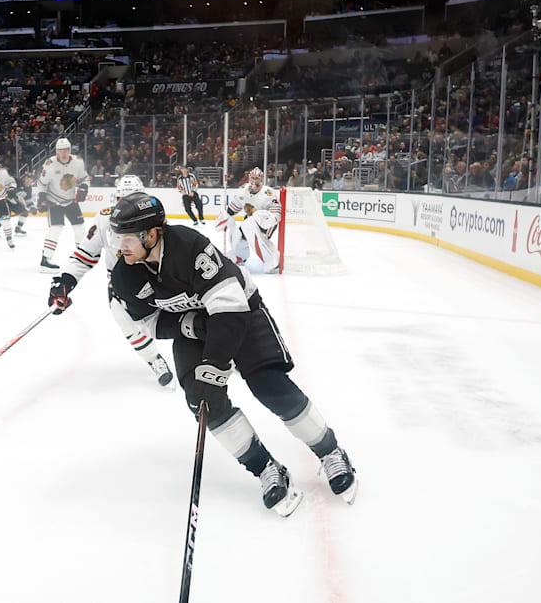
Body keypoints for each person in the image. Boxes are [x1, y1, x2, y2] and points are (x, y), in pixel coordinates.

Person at [85, 192, 356, 516]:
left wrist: (215, 363)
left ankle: (330, 452)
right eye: (117, 237)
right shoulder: (124, 275)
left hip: (239, 310)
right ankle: (266, 468)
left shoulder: (190, 247)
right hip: (194, 330)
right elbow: (148, 323)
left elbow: (229, 308)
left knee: (268, 385)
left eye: (127, 238)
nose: (119, 246)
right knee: (203, 402)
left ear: (152, 234)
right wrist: (193, 327)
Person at [47, 174, 175, 389]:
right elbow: (84, 255)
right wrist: (65, 281)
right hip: (123, 286)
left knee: (188, 319)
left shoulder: (155, 221)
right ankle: (155, 360)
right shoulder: (104, 220)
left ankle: (220, 350)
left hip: (157, 280)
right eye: (124, 202)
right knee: (125, 321)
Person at [36, 137, 90, 272]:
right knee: (56, 229)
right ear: (56, 151)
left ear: (70, 150)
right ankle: (45, 260)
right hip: (54, 201)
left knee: (79, 228)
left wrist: (84, 188)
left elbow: (84, 178)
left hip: (71, 200)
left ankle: (81, 256)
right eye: (60, 150)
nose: (63, 153)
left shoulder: (78, 162)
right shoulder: (49, 164)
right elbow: (42, 184)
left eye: (66, 150)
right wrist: (41, 198)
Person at [215, 167, 281, 272]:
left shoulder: (268, 193)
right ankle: (239, 256)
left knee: (253, 232)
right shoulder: (243, 190)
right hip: (250, 221)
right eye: (252, 178)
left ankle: (272, 260)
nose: (254, 181)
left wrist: (268, 222)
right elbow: (233, 209)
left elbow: (276, 214)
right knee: (237, 234)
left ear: (262, 179)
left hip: (266, 222)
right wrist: (225, 217)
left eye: (257, 178)